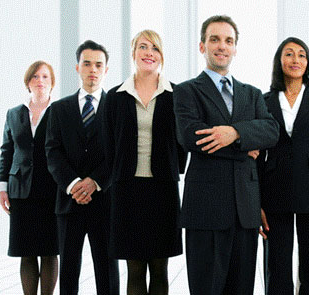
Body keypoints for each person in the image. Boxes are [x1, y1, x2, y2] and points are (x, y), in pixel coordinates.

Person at [173, 15, 279, 295]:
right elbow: (191, 137)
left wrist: (234, 134)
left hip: (245, 210)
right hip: (205, 210)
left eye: (228, 41)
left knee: (241, 289)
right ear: (202, 46)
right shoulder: (186, 91)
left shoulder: (252, 94)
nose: (222, 46)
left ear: (235, 48)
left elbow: (271, 131)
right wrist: (246, 147)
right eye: (215, 39)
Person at [100, 29, 187, 295]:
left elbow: (183, 142)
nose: (149, 53)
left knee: (160, 269)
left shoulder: (176, 95)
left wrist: (174, 167)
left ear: (161, 55)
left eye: (155, 48)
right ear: (133, 52)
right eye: (143, 47)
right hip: (127, 190)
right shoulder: (115, 97)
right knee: (135, 269)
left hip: (163, 190)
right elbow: (107, 145)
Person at [257, 36, 309, 295]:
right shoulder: (264, 100)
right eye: (289, 54)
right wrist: (256, 202)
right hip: (274, 191)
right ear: (279, 61)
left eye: (302, 55)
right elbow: (258, 156)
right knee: (276, 268)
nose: (296, 60)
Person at [44, 40, 119, 295]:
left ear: (106, 70)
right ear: (77, 67)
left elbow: (120, 153)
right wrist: (75, 184)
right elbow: (52, 152)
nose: (93, 70)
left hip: (105, 200)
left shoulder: (117, 108)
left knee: (107, 269)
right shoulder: (59, 109)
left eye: (99, 65)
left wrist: (94, 182)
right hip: (69, 202)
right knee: (69, 269)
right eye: (87, 64)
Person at [0, 60, 60, 295]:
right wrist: (2, 187)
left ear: (52, 83)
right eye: (35, 77)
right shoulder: (14, 113)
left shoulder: (60, 111)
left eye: (45, 77)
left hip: (52, 189)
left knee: (50, 250)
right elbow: (7, 150)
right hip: (20, 190)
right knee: (26, 250)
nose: (40, 81)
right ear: (28, 82)